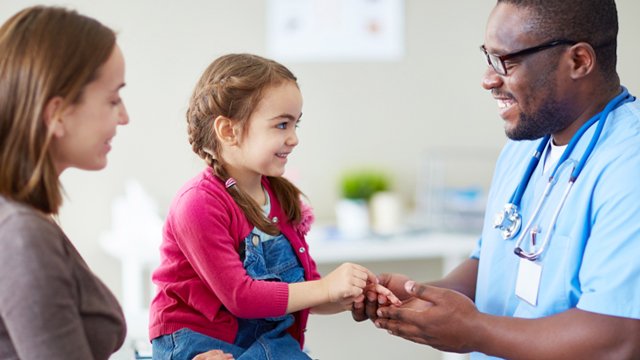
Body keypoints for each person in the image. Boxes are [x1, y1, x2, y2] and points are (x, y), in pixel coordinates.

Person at [353, 0, 640, 359]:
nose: (488, 79)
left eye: (508, 61)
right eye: (488, 58)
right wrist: (417, 296)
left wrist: (473, 331)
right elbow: (488, 263)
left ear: (578, 61)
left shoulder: (629, 165)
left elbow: (617, 339)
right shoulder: (526, 145)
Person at [149, 53, 399, 360]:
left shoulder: (280, 196)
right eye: (281, 125)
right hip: (201, 345)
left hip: (264, 343)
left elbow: (303, 292)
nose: (294, 139)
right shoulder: (199, 203)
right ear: (229, 131)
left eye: (295, 124)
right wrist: (327, 289)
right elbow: (241, 297)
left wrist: (347, 295)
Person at [0, 5, 130, 360]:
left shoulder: (22, 222)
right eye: (113, 99)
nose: (124, 117)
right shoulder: (21, 235)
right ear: (57, 113)